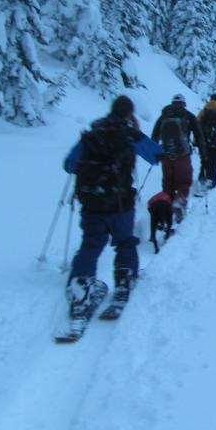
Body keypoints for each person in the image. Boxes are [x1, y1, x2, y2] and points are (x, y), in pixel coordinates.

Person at [62, 95, 163, 315]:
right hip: (120, 202)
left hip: (91, 202)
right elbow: (156, 155)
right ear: (129, 114)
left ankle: (81, 287)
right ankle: (124, 281)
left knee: (90, 244)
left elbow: (70, 165)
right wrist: (135, 130)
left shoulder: (90, 136)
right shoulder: (129, 134)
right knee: (125, 242)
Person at [151, 93, 205, 221]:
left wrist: (155, 154)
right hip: (182, 155)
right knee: (184, 181)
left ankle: (166, 209)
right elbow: (199, 135)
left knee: (167, 183)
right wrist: (203, 152)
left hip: (166, 155)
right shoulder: (189, 116)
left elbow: (154, 136)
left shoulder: (163, 116)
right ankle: (179, 204)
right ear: (183, 104)